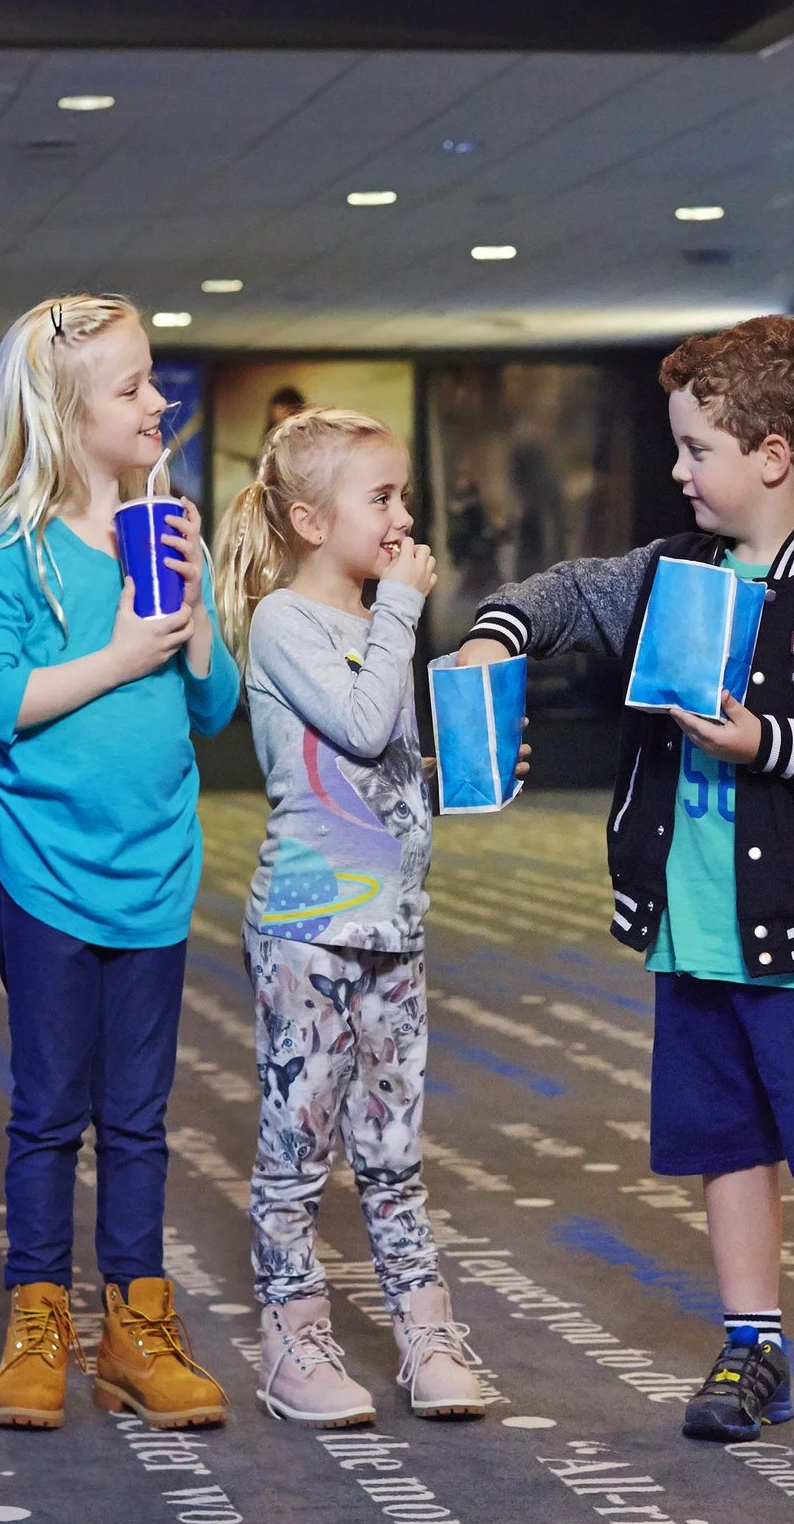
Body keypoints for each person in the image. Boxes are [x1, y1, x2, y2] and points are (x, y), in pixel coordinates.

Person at [453, 314, 794, 1457]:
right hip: (690, 927)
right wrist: (497, 636)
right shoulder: (667, 571)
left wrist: (773, 744)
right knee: (726, 1142)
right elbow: (565, 593)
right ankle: (755, 1345)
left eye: (698, 449)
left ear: (772, 455)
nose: (682, 470)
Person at [0, 293, 238, 1433]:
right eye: (129, 386)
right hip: (48, 880)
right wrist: (123, 652)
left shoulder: (167, 527)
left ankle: (136, 1328)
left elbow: (213, 709)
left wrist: (200, 612)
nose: (156, 399)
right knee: (46, 1115)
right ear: (65, 416)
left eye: (153, 378)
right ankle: (40, 1325)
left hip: (155, 874)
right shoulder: (12, 559)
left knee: (138, 1119)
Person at [213, 407, 490, 1427]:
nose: (402, 516)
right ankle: (290, 1337)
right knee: (299, 1143)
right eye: (381, 497)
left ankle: (425, 1328)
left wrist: (466, 766)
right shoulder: (289, 621)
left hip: (392, 928)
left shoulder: (378, 623)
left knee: (393, 1142)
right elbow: (363, 720)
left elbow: (387, 769)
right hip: (309, 931)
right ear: (308, 518)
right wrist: (408, 613)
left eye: (402, 495)